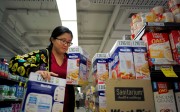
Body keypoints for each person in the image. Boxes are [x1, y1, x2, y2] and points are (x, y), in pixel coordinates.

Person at [8, 26, 75, 112]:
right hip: (43, 105)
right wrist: (34, 71)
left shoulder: (71, 60)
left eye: (69, 42)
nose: (66, 45)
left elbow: (75, 81)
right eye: (63, 41)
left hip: (66, 105)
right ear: (52, 39)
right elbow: (13, 62)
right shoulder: (42, 55)